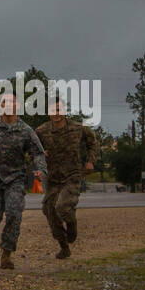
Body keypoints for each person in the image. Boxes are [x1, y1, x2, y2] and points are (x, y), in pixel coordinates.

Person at [0, 92, 46, 269]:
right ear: (0, 105)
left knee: (15, 212)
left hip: (15, 178)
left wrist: (40, 169)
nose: (9, 105)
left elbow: (37, 152)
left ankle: (7, 253)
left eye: (13, 102)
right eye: (5, 102)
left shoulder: (25, 130)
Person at [35, 99, 99, 259]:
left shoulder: (77, 128)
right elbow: (32, 149)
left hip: (72, 175)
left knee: (62, 207)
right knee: (49, 210)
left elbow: (93, 142)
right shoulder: (41, 131)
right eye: (52, 110)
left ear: (64, 111)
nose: (56, 114)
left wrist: (91, 161)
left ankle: (71, 224)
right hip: (53, 178)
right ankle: (64, 246)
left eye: (59, 110)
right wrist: (39, 157)